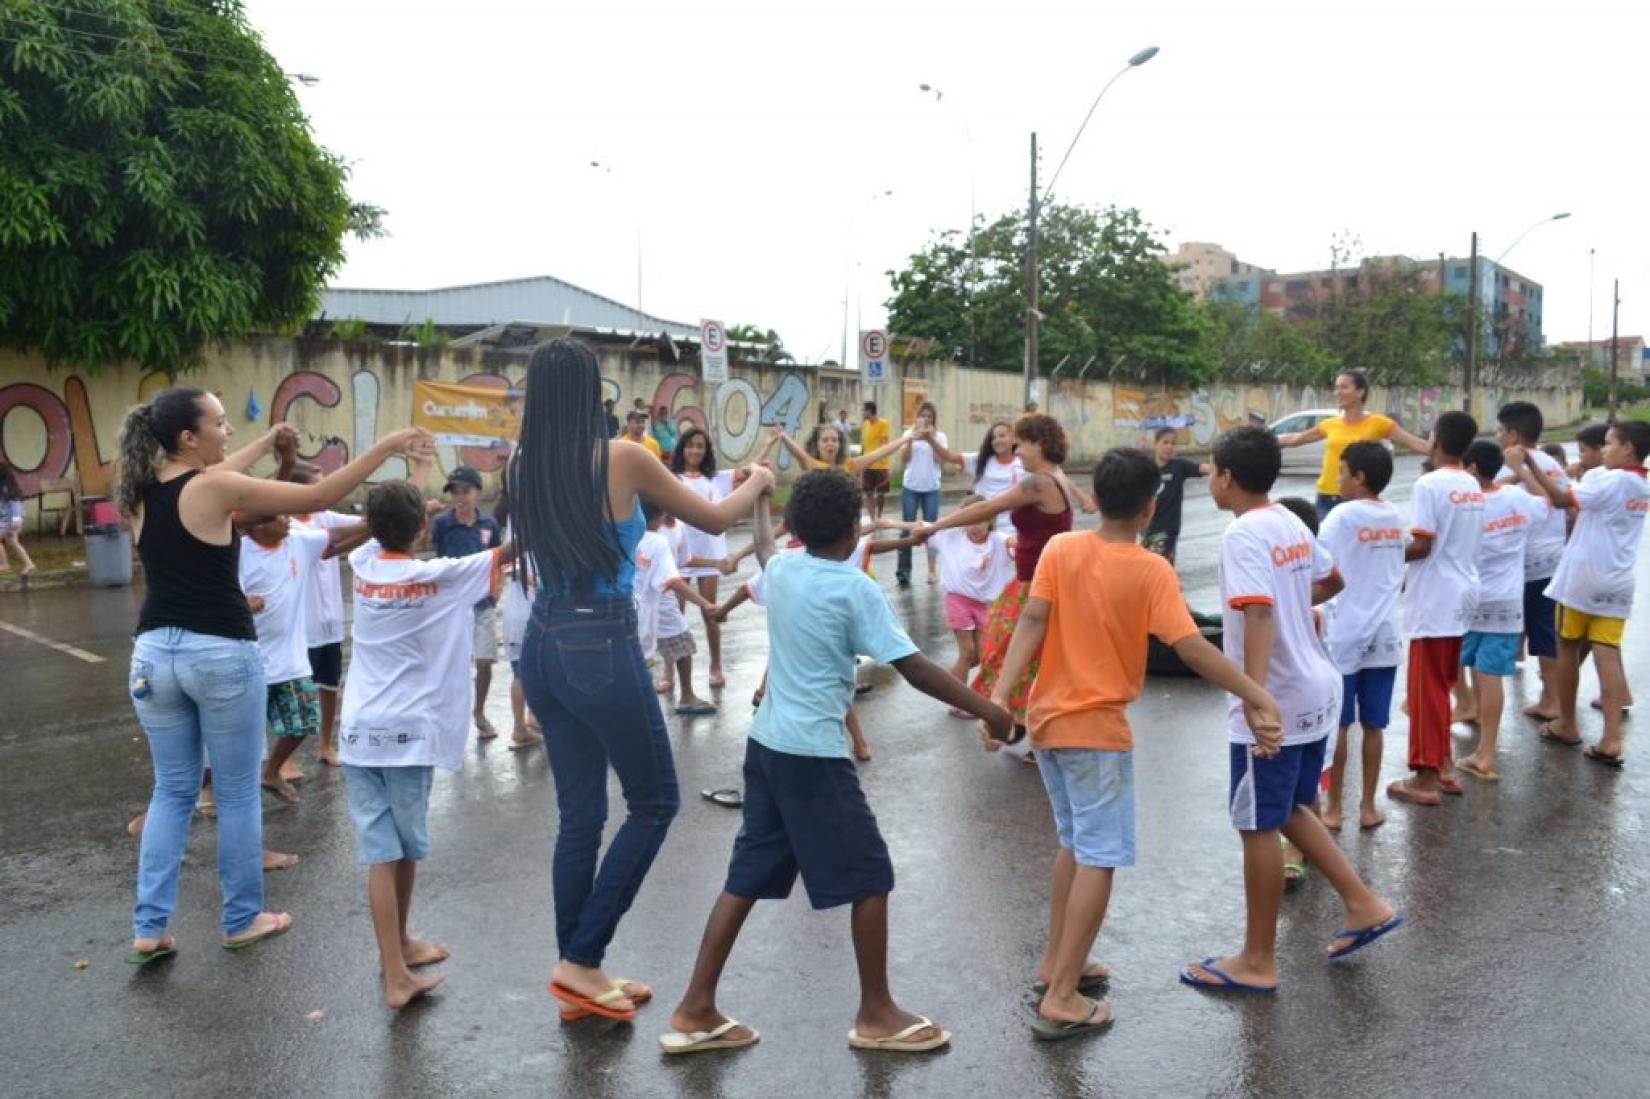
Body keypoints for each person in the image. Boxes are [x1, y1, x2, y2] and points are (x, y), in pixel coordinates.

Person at [659, 469, 1013, 1055]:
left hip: (767, 747)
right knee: (870, 875)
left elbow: (768, 545)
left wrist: (763, 497)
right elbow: (917, 668)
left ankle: (696, 1007)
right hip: (814, 758)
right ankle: (876, 1013)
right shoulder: (853, 588)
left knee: (745, 876)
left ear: (798, 525)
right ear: (853, 530)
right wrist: (993, 712)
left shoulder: (782, 569)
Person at [510, 337, 774, 1023]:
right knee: (654, 802)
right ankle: (581, 957)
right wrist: (761, 480)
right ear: (591, 391)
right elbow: (715, 517)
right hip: (599, 637)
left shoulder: (522, 465)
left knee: (582, 813)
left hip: (541, 639)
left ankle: (582, 971)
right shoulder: (623, 456)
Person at [114, 385, 428, 963]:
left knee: (173, 791)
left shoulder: (140, 494)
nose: (228, 432)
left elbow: (217, 472)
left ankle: (149, 927)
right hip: (219, 653)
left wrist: (265, 440)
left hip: (153, 654)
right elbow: (326, 492)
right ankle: (241, 918)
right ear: (189, 436)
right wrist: (388, 443)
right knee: (235, 793)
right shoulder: (214, 489)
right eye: (221, 422)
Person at [988, 447, 1282, 1037]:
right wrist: (1257, 693)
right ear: (1150, 507)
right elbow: (1192, 647)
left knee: (1075, 844)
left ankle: (1057, 963)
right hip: (1097, 733)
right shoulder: (1150, 568)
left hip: (1047, 725)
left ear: (1096, 495)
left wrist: (998, 699)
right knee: (1099, 856)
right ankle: (1063, 996)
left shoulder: (1062, 548)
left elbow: (1032, 621)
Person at [1181, 426, 1401, 995]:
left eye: (1209, 469)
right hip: (1316, 688)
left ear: (1227, 477)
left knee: (1256, 824)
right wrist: (1291, 610)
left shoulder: (1243, 534)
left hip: (1276, 694)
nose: (1208, 478)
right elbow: (1333, 579)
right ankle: (1363, 903)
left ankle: (1256, 959)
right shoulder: (1289, 522)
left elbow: (1256, 615)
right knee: (1292, 809)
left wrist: (1255, 699)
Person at [340, 474, 508, 1008]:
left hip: (359, 733)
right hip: (406, 737)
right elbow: (511, 552)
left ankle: (400, 947)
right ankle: (394, 974)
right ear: (421, 527)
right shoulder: (439, 575)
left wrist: (406, 504)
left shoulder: (363, 564)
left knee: (383, 853)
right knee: (400, 850)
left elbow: (379, 530)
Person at [917, 414, 1082, 741]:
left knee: (1004, 652)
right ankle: (1022, 722)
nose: (1016, 452)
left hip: (1037, 586)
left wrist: (935, 526)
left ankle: (1020, 720)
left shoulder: (1039, 482)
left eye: (1022, 444)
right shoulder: (1055, 476)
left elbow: (984, 509)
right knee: (1021, 654)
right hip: (1034, 582)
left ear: (1041, 444)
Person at [1509, 421, 1650, 765]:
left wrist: (1527, 466)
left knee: (1567, 650)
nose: (1603, 450)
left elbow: (1560, 500)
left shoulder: (1612, 481)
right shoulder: (1640, 483)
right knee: (1607, 654)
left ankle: (1567, 723)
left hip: (1583, 579)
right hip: (1617, 581)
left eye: (1608, 444)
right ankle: (1611, 739)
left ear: (1627, 448)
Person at [1387, 411, 1483, 808]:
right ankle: (1442, 764)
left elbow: (1422, 544)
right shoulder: (1471, 484)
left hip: (1435, 598)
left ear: (1437, 439)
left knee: (1426, 690)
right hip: (1462, 592)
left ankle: (1424, 779)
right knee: (1441, 687)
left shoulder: (1430, 483)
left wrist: (1385, 553)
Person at [238, 513, 365, 802]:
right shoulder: (237, 551)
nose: (286, 520)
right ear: (254, 524)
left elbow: (334, 537)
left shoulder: (297, 542)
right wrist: (242, 601)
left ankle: (270, 772)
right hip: (247, 660)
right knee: (238, 740)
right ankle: (209, 790)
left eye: (286, 513)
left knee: (305, 721)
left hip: (291, 661)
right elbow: (217, 592)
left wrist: (369, 527)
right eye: (277, 516)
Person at [1315, 442, 1405, 830]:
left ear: (1359, 477)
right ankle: (1367, 807)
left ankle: (1333, 808)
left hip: (1344, 634)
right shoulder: (1394, 515)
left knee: (1339, 726)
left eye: (1342, 471)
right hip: (1384, 635)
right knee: (1374, 725)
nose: (1337, 479)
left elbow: (1320, 570)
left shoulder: (1342, 516)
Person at [1452, 441, 1546, 780]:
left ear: (1472, 469)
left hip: (1470, 599)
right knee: (1488, 674)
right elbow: (1548, 502)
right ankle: (1484, 749)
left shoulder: (1466, 506)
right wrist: (1522, 472)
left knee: (1470, 669)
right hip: (1507, 602)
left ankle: (1479, 738)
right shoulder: (1516, 499)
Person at [1490, 403, 1570, 723]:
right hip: (1550, 560)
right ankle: (1550, 697)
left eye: (1500, 430)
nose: (1498, 436)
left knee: (1542, 634)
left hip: (1534, 564)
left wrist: (1518, 472)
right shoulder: (1553, 463)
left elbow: (1550, 501)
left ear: (1514, 434)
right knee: (1543, 632)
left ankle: (1552, 700)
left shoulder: (1520, 464)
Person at [1277, 369, 1430, 520]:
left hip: (1358, 498)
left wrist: (1444, 444)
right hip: (1326, 498)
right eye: (1336, 388)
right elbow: (1295, 439)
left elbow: (1418, 445)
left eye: (1344, 387)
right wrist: (1264, 439)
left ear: (1360, 392)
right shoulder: (1329, 424)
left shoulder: (1379, 423)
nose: (1338, 392)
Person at [286, 461, 355, 768]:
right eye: (318, 484)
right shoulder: (287, 525)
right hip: (302, 625)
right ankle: (284, 757)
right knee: (293, 694)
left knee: (329, 686)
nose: (325, 489)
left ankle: (325, 744)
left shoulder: (323, 516)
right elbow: (344, 533)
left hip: (330, 625)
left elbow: (363, 522)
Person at [429, 466, 504, 740]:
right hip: (451, 606)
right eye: (455, 493)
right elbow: (428, 551)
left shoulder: (489, 525)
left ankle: (479, 711)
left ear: (478, 494)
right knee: (454, 664)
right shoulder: (442, 524)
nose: (460, 498)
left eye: (466, 492)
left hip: (482, 603)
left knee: (484, 661)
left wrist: (497, 585)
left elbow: (497, 558)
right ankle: (451, 713)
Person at [924, 496, 1014, 708]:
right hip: (958, 600)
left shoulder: (998, 541)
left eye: (979, 521)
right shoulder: (950, 536)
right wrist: (887, 524)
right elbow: (921, 528)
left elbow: (1015, 543)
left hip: (984, 605)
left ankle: (946, 682)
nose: (974, 527)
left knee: (980, 656)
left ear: (990, 521)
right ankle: (961, 703)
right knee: (967, 651)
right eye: (968, 521)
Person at [635, 500, 720, 716]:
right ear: (661, 513)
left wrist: (716, 563)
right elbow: (673, 580)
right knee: (682, 645)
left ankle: (644, 705)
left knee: (641, 655)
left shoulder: (634, 535)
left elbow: (684, 560)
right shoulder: (656, 539)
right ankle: (686, 697)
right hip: (660, 603)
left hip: (637, 607)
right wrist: (705, 603)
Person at [670, 427, 735, 688]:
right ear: (682, 449)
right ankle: (669, 672)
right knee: (675, 617)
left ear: (706, 451)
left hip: (709, 554)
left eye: (700, 446)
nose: (695, 450)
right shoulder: (671, 478)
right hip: (680, 556)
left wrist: (770, 443)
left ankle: (715, 665)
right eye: (690, 445)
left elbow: (749, 472)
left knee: (710, 611)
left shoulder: (715, 479)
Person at [895, 401, 965, 587]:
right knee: (906, 529)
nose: (926, 420)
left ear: (934, 419)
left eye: (929, 417)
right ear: (917, 418)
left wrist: (931, 439)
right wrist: (910, 438)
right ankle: (904, 571)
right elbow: (904, 458)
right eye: (923, 416)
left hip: (931, 488)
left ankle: (932, 570)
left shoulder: (940, 436)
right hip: (910, 486)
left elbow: (940, 460)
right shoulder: (909, 433)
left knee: (931, 530)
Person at [1142, 427, 1210, 566]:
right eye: (1165, 442)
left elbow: (1203, 468)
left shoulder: (1179, 466)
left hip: (1168, 530)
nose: (1169, 447)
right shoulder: (1147, 469)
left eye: (1173, 443)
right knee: (1151, 569)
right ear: (1156, 444)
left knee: (1158, 566)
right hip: (1148, 530)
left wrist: (1225, 466)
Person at [971, 421, 1023, 534]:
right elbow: (950, 456)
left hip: (1011, 530)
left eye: (1002, 436)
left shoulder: (1023, 465)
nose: (997, 440)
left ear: (1014, 440)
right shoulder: (981, 460)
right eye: (994, 437)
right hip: (984, 528)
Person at [0, 462, 35, 578]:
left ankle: (6, 564)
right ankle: (26, 564)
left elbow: (15, 504)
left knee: (13, 543)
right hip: (6, 519)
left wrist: (17, 519)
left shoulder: (7, 488)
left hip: (10, 520)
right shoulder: (4, 487)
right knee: (13, 543)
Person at [859, 400, 892, 521]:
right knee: (868, 493)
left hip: (881, 465)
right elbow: (863, 444)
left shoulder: (883, 423)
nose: (862, 412)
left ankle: (879, 516)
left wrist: (880, 455)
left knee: (881, 494)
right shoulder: (865, 425)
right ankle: (873, 519)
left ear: (869, 411)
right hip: (867, 465)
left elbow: (884, 442)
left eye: (864, 410)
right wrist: (860, 461)